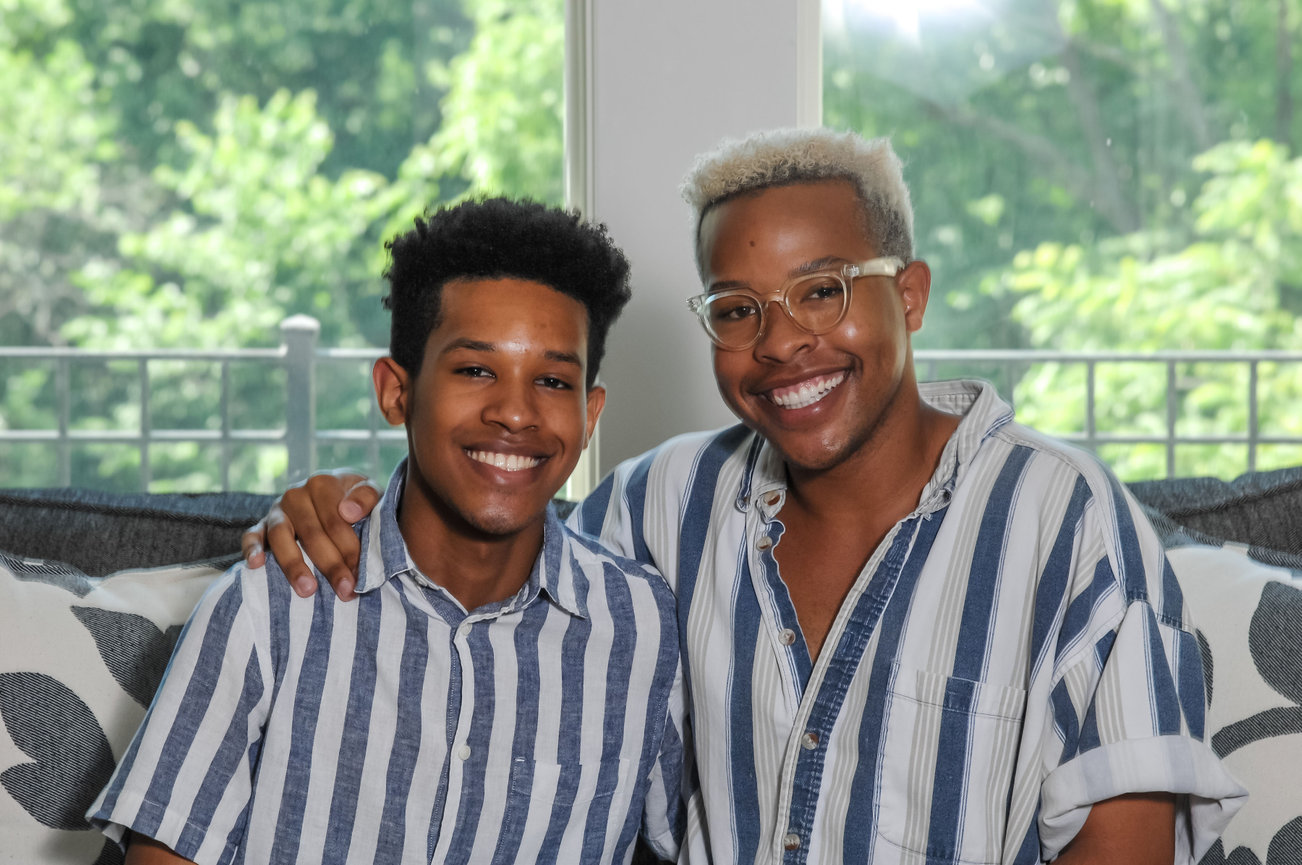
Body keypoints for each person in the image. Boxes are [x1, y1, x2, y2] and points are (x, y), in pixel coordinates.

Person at [244, 129, 1246, 864]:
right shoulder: (656, 505)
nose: (782, 342)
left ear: (908, 295)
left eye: (824, 289)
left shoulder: (1068, 520)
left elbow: (1126, 840)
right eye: (737, 309)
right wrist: (337, 507)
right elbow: (483, 556)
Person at [89, 198, 685, 865]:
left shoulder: (644, 627)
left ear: (590, 413)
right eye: (475, 370)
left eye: (551, 380)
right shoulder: (271, 605)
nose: (516, 412)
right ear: (396, 391)